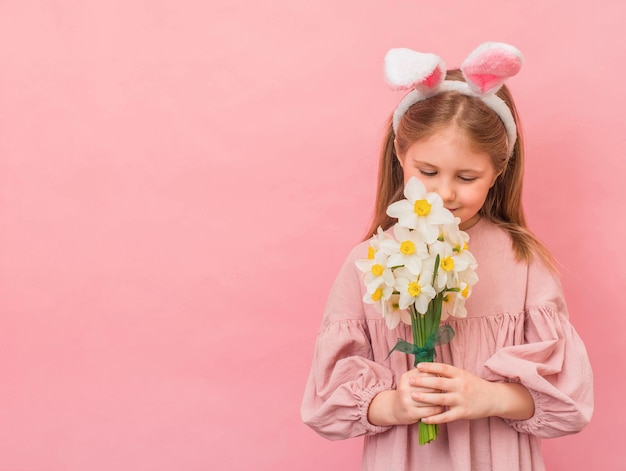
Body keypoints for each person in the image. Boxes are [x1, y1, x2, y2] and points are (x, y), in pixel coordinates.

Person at [300, 42, 593, 470]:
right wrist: (395, 406)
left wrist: (489, 396)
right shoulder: (371, 261)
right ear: (400, 156)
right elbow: (325, 403)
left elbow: (570, 400)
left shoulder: (522, 262)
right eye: (428, 171)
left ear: (499, 169)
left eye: (468, 176)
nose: (444, 193)